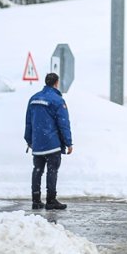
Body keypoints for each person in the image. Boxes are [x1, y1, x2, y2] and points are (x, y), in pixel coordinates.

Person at [24, 72, 73, 211]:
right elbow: (63, 123)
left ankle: (36, 200)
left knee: (37, 170)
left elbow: (28, 122)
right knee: (52, 171)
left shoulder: (33, 99)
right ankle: (51, 200)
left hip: (37, 144)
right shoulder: (57, 100)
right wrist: (68, 142)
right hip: (52, 144)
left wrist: (29, 140)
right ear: (56, 83)